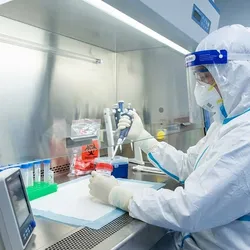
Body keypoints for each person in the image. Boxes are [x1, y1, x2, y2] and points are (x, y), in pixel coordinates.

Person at [89, 24, 250, 249]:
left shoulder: (245, 136)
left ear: (237, 76)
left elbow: (190, 208)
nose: (200, 86)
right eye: (198, 77)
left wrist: (120, 197)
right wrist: (143, 138)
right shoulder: (225, 124)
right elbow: (189, 166)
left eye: (207, 76)